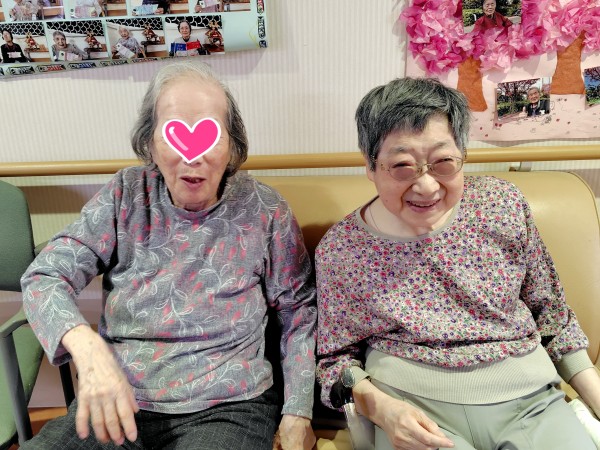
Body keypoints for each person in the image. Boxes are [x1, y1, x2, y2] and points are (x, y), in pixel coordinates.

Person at [21, 61, 317, 450]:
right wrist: (87, 348)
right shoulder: (125, 194)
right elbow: (43, 277)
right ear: (150, 144)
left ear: (232, 146)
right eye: (173, 135)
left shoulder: (265, 210)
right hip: (120, 398)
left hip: (228, 407)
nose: (192, 157)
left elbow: (298, 311)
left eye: (211, 135)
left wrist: (298, 412)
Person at [315, 77, 600, 450]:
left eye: (443, 162)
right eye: (402, 165)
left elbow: (553, 316)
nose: (427, 187)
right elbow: (334, 360)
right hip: (411, 409)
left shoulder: (501, 205)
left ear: (462, 154)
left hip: (529, 402)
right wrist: (383, 410)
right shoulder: (342, 249)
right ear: (370, 165)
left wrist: (594, 397)